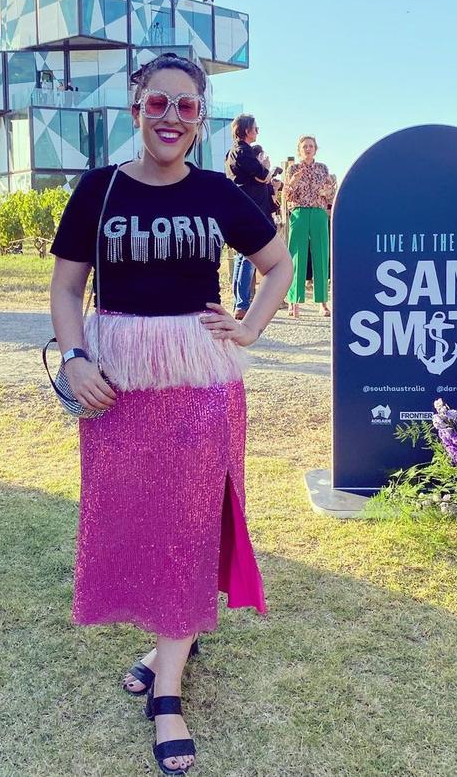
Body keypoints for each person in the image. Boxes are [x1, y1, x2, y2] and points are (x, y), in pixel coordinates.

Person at [50, 52, 292, 776]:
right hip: (117, 384)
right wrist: (75, 356)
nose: (171, 117)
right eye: (158, 103)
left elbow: (277, 265)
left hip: (200, 383)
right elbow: (67, 289)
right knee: (133, 517)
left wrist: (249, 326)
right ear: (136, 109)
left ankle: (169, 692)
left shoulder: (220, 191)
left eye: (187, 107)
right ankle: (167, 640)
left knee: (188, 522)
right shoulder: (98, 190)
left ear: (200, 119)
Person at [224, 115, 274, 320]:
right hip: (251, 209)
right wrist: (267, 166)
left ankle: (239, 302)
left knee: (241, 257)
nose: (257, 132)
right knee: (249, 257)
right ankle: (242, 304)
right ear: (246, 130)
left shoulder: (231, 152)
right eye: (255, 128)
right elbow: (263, 176)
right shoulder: (244, 152)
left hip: (240, 207)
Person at [282, 135, 336, 318]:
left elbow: (330, 194)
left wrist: (327, 191)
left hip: (319, 213)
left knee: (321, 255)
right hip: (299, 213)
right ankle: (294, 301)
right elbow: (286, 195)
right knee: (297, 255)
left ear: (316, 149)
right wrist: (294, 182)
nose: (308, 149)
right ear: (299, 149)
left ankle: (322, 302)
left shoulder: (323, 168)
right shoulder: (293, 169)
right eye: (304, 146)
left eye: (311, 146)